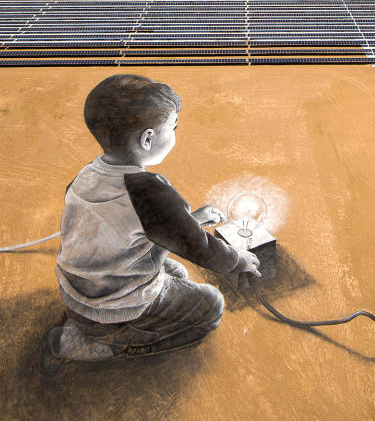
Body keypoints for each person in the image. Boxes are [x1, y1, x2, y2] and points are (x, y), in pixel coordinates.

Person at [41, 74, 260, 375]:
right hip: (113, 307)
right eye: (173, 127)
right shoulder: (149, 191)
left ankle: (87, 327)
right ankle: (112, 344)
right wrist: (239, 261)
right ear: (147, 139)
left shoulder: (87, 175)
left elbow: (131, 227)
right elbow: (200, 247)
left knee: (177, 273)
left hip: (78, 290)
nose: (175, 133)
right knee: (211, 304)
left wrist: (191, 219)